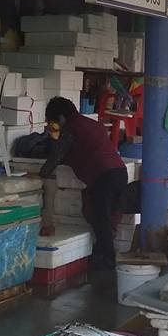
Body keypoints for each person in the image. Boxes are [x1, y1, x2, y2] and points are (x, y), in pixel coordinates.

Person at [40, 97, 127, 271]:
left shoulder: (72, 127)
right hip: (119, 172)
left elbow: (57, 155)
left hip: (104, 176)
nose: (57, 126)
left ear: (62, 117)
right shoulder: (92, 124)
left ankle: (107, 261)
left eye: (55, 122)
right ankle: (102, 255)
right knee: (106, 218)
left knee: (101, 219)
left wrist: (41, 174)